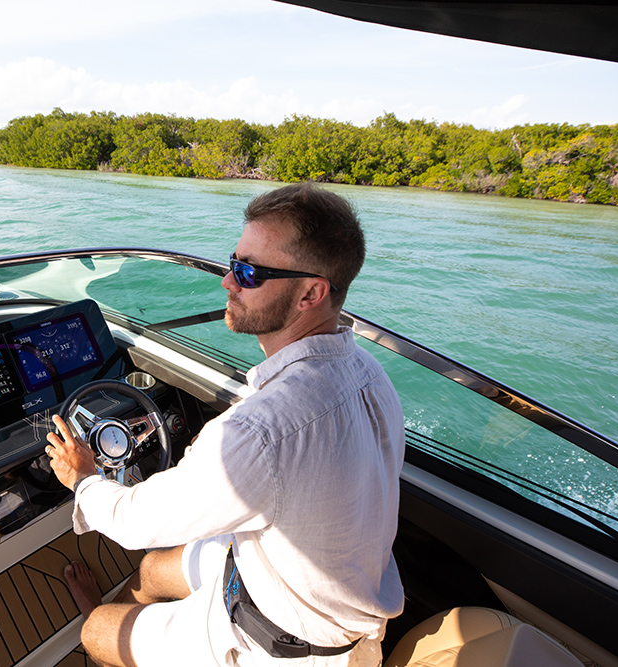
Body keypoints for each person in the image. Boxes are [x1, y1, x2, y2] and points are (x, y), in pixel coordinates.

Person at [45, 182, 405, 667]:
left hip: (281, 641)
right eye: (232, 262)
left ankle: (106, 631)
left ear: (311, 293)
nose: (227, 282)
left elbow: (132, 522)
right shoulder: (370, 373)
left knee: (95, 631)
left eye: (249, 272)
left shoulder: (257, 434)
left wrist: (83, 477)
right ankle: (135, 624)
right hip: (290, 574)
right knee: (154, 569)